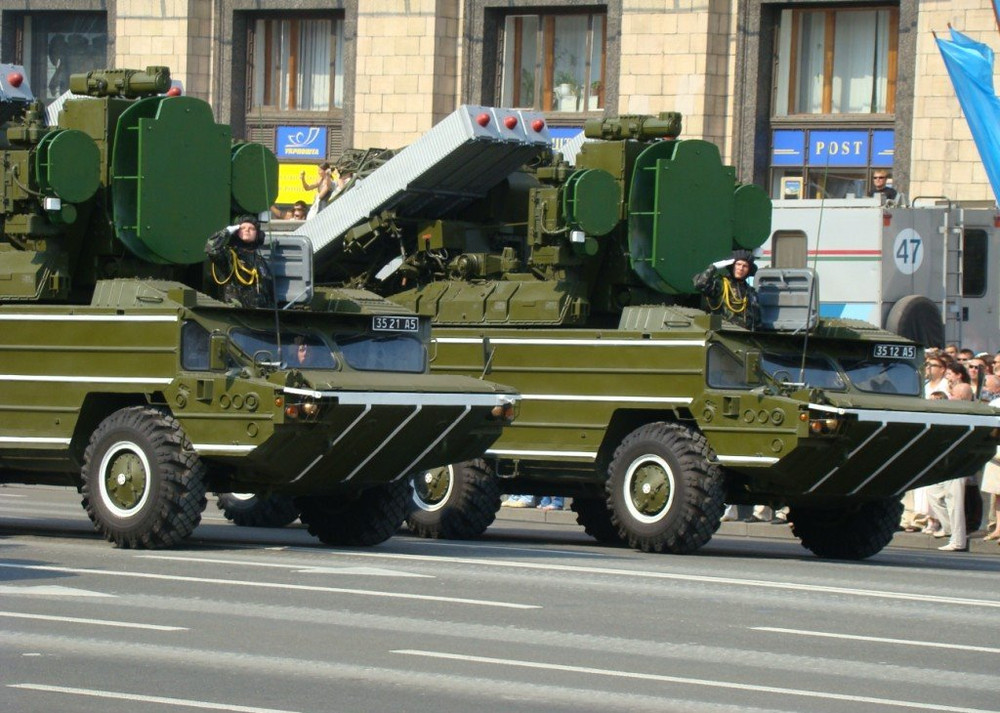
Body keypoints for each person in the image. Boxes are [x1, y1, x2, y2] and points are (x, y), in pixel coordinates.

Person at [205, 214, 273, 308]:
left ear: (258, 234)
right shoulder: (229, 256)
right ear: (236, 232)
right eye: (243, 228)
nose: (247, 230)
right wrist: (226, 232)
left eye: (252, 228)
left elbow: (268, 292)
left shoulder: (260, 261)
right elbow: (211, 249)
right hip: (234, 312)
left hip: (257, 313)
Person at [692, 249, 760, 330]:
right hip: (724, 332)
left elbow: (756, 318)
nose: (741, 268)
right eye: (738, 264)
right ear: (732, 266)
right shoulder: (720, 284)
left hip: (745, 334)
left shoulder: (750, 291)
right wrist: (713, 267)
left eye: (745, 266)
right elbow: (699, 284)